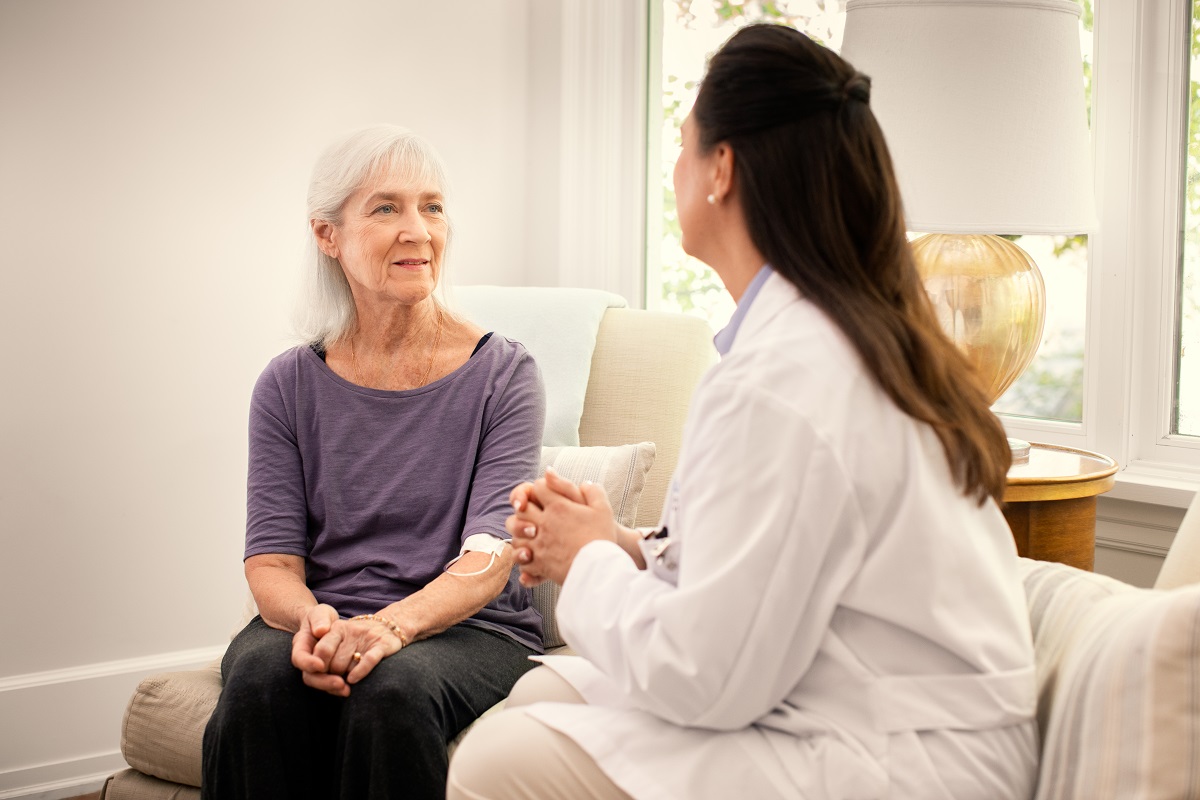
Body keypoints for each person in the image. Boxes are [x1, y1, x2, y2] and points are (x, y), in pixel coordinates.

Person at [447, 24, 1037, 800]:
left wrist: (585, 563)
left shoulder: (785, 376)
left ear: (721, 168)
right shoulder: (831, 337)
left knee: (497, 761)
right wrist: (623, 548)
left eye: (685, 142)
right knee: (542, 695)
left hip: (906, 758)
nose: (676, 168)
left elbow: (709, 673)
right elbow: (762, 572)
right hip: (875, 709)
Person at [201, 124, 546, 800]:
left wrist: (388, 627)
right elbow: (272, 562)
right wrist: (316, 625)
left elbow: (490, 555)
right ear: (328, 236)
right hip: (324, 611)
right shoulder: (288, 384)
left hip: (471, 628)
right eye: (386, 207)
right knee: (259, 683)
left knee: (393, 689)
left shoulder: (505, 374)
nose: (418, 229)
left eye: (433, 206)